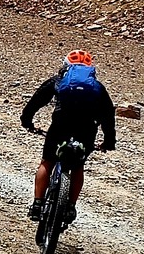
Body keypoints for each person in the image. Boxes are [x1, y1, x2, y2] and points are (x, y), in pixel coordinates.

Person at [20, 50, 118, 222]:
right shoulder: (97, 87)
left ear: (66, 65)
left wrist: (27, 121)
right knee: (77, 167)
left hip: (60, 126)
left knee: (47, 162)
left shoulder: (58, 81)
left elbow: (36, 101)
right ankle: (71, 207)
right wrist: (109, 141)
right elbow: (108, 116)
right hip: (86, 130)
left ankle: (37, 204)